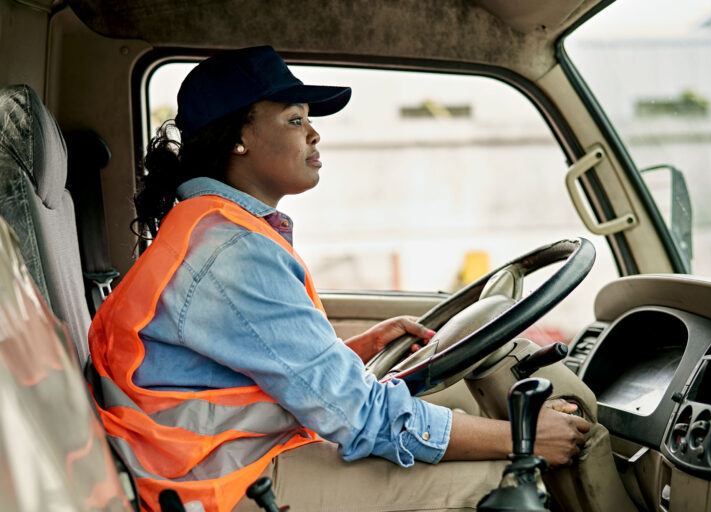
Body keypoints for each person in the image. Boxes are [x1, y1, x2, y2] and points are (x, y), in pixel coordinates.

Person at [88, 46, 590, 512]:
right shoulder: (233, 251)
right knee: (501, 477)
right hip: (217, 485)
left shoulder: (210, 228)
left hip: (206, 463)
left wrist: (354, 351)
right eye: (295, 119)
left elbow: (234, 381)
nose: (314, 133)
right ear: (239, 137)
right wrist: (522, 439)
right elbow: (362, 418)